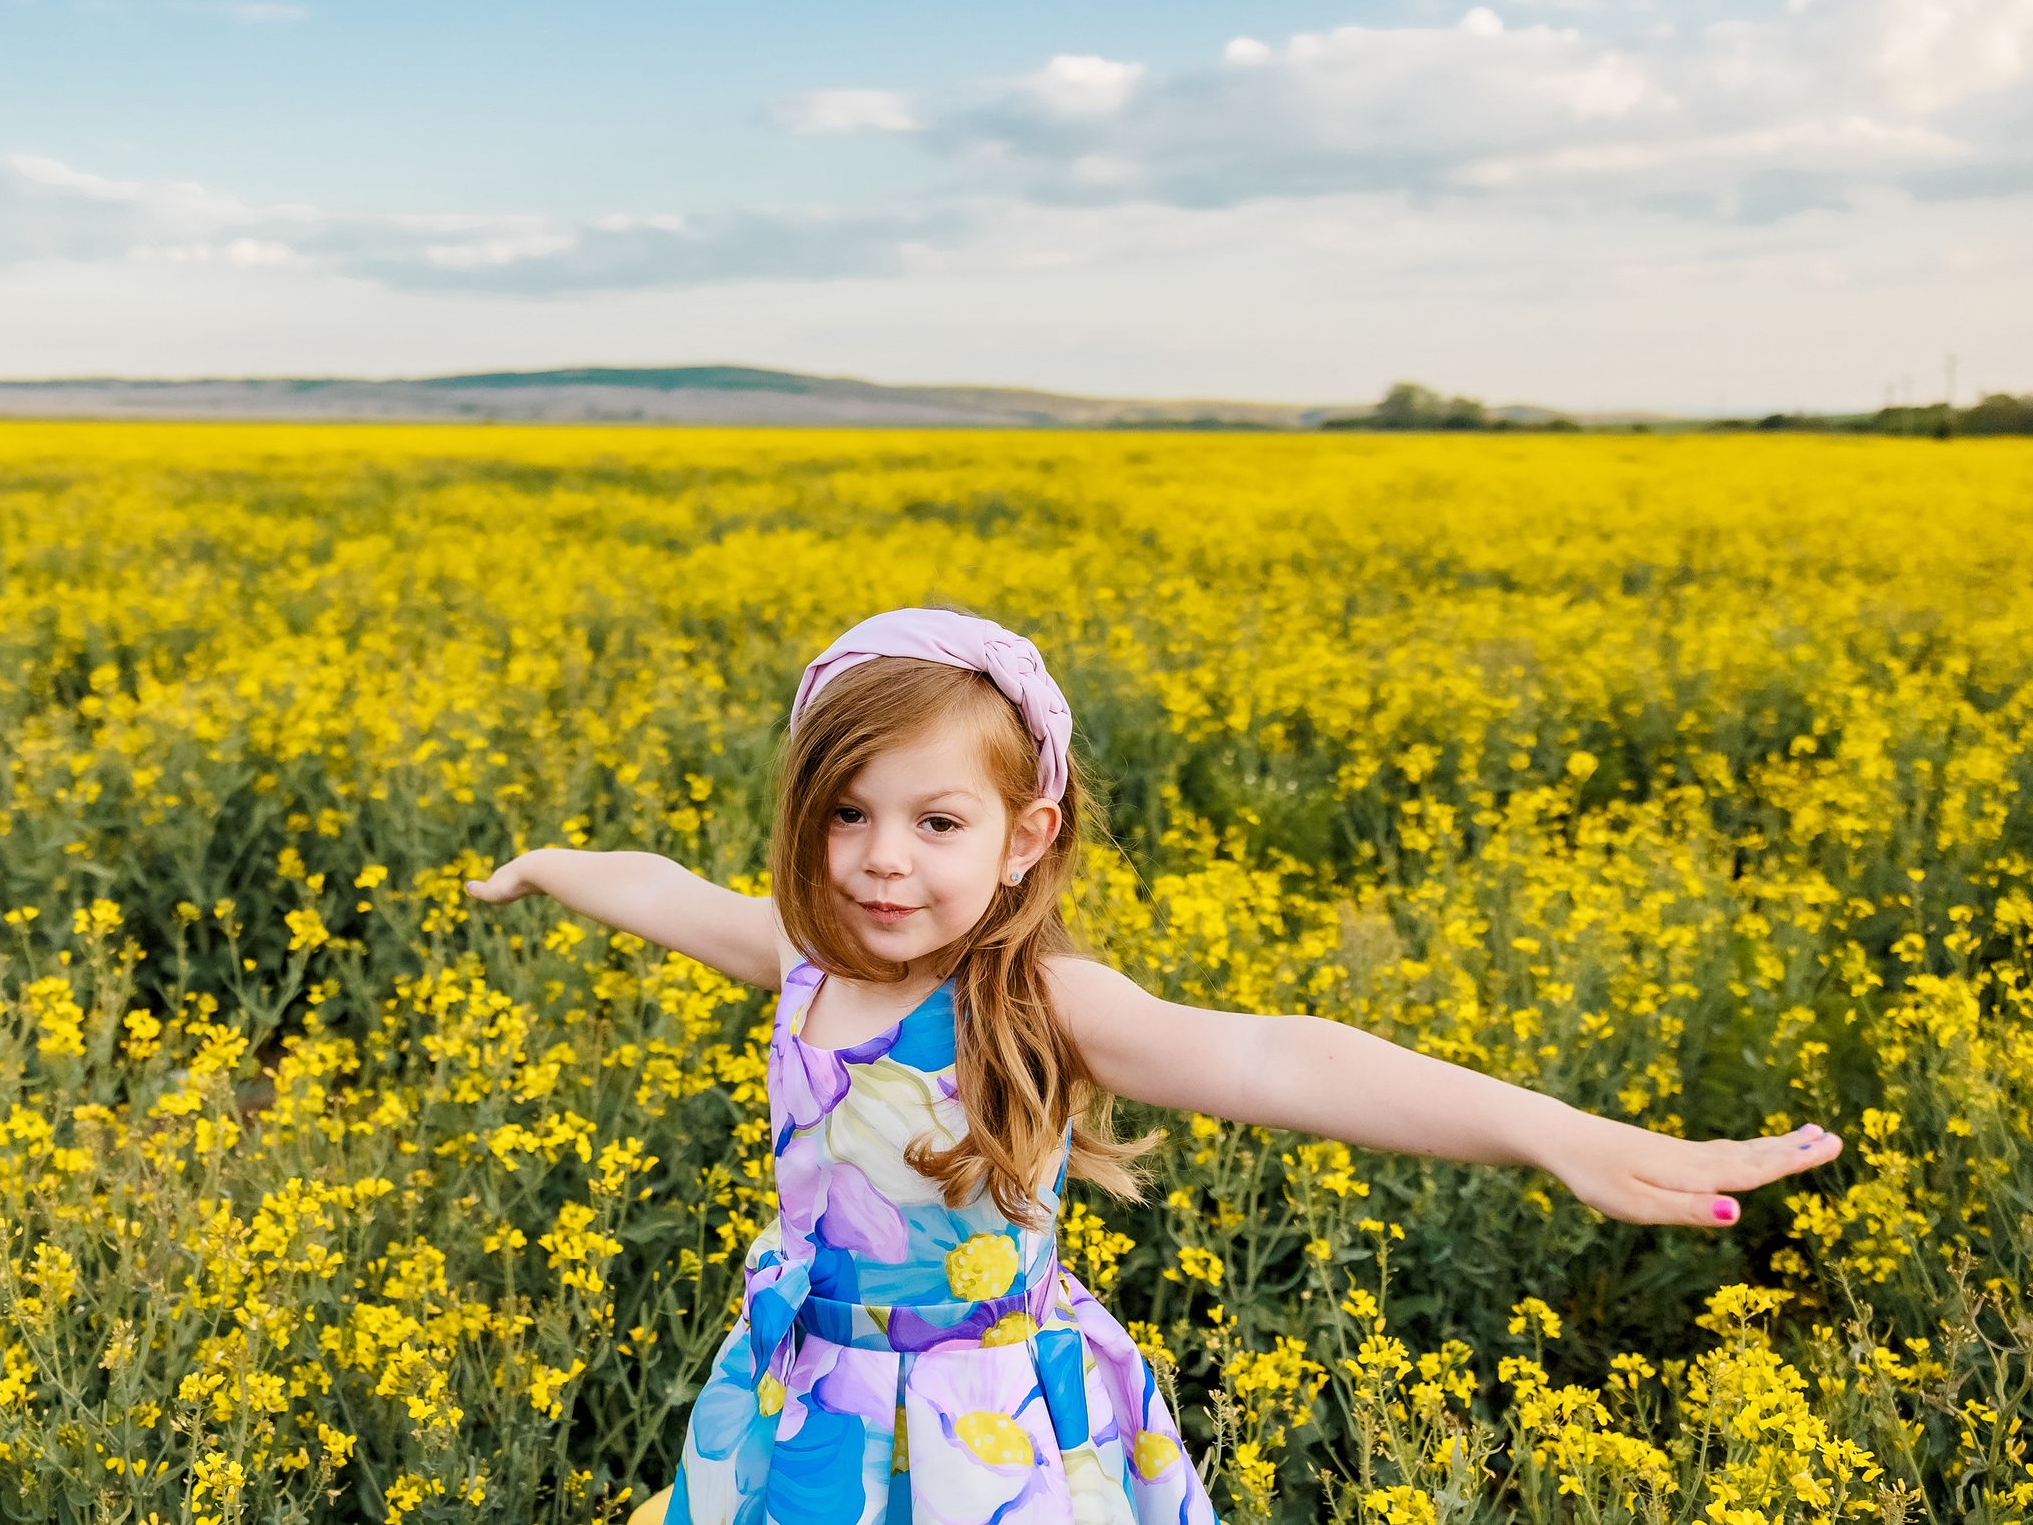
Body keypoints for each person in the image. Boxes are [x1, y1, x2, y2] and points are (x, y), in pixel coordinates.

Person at [465, 608, 1844, 1525]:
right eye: (846, 814)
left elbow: (1281, 1057)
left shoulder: (1039, 998)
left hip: (981, 1423)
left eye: (937, 820)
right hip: (803, 1388)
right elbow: (651, 886)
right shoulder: (803, 957)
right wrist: (542, 868)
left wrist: (1555, 1132)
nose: (883, 857)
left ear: (1023, 836)